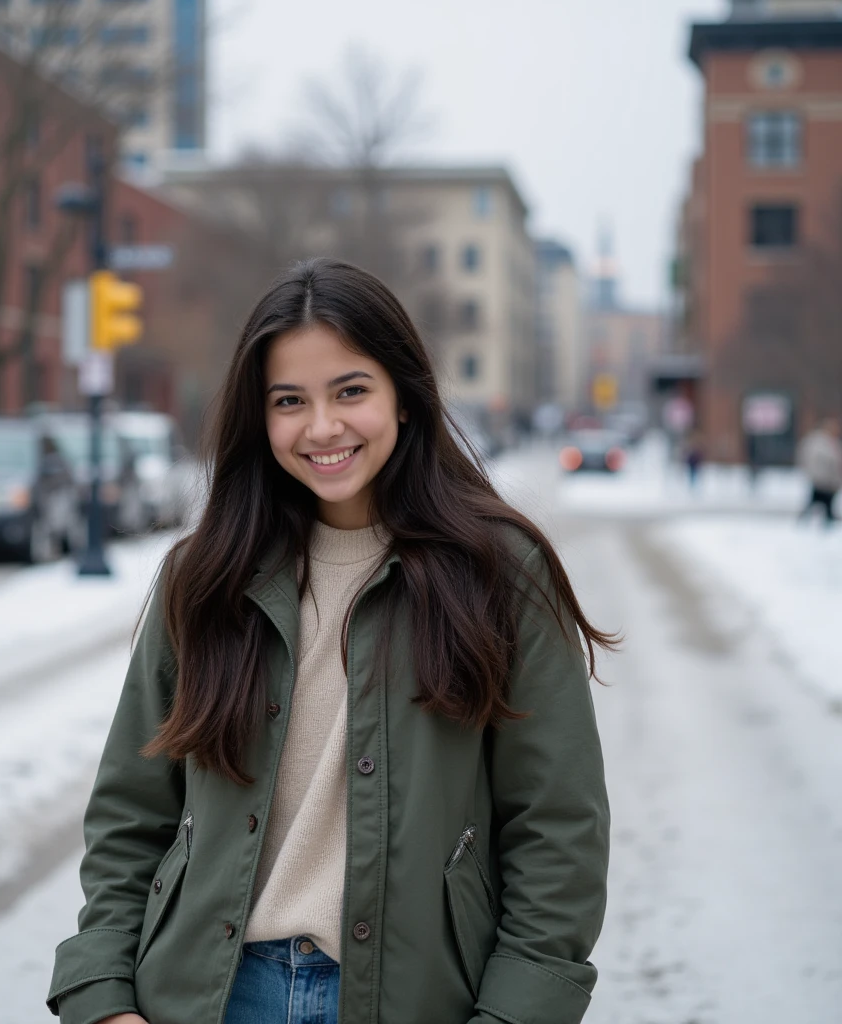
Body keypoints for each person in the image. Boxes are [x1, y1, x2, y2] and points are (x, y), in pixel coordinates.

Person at [47, 258, 613, 1024]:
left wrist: (516, 1012)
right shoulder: (205, 576)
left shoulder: (500, 573)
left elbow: (557, 831)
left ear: (405, 399)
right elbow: (130, 812)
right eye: (290, 401)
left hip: (411, 1000)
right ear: (262, 417)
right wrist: (105, 1000)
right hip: (207, 996)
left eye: (350, 391)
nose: (322, 427)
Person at [797, 417, 841, 525]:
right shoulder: (818, 441)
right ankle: (823, 519)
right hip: (821, 478)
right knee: (818, 500)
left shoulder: (833, 441)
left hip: (831, 480)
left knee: (824, 502)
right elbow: (813, 458)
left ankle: (827, 519)